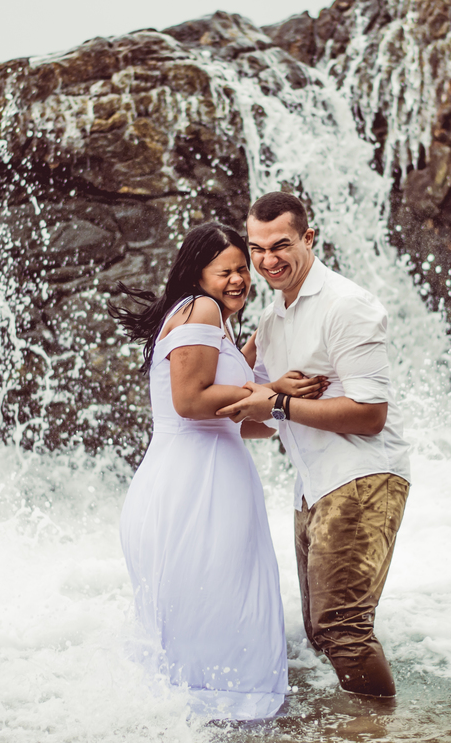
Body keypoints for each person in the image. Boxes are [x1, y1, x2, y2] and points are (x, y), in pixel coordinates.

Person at [108, 221, 324, 720]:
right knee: (219, 603)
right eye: (223, 270)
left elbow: (246, 424)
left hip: (205, 479)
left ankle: (200, 720)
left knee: (212, 605)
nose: (237, 280)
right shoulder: (199, 309)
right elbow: (189, 402)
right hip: (192, 483)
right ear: (197, 273)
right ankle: (232, 717)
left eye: (241, 270)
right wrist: (272, 393)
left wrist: (270, 398)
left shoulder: (214, 324)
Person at [218, 192, 412, 698]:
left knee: (343, 630)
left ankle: (381, 730)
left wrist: (276, 404)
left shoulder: (346, 305)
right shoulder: (271, 321)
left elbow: (371, 416)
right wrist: (258, 406)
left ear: (308, 238)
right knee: (320, 633)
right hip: (313, 485)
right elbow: (256, 417)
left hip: (364, 476)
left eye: (280, 245)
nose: (266, 260)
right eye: (256, 249)